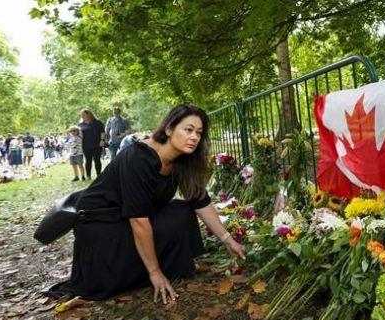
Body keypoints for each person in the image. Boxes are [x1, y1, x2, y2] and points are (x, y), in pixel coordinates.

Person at [48, 104, 245, 302]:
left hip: (132, 219)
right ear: (168, 129)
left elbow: (200, 200)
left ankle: (162, 264)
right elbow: (138, 220)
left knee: (182, 211)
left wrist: (227, 238)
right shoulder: (137, 158)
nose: (194, 137)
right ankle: (144, 268)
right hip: (101, 227)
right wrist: (155, 272)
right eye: (188, 130)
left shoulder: (183, 161)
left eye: (199, 133)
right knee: (136, 250)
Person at [78, 108, 106, 180]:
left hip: (97, 144)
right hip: (86, 145)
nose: (84, 117)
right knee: (88, 161)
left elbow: (102, 132)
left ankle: (98, 175)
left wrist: (102, 140)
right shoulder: (80, 125)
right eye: (82, 115)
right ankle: (88, 175)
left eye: (85, 115)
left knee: (97, 160)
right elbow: (78, 135)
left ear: (90, 115)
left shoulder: (98, 123)